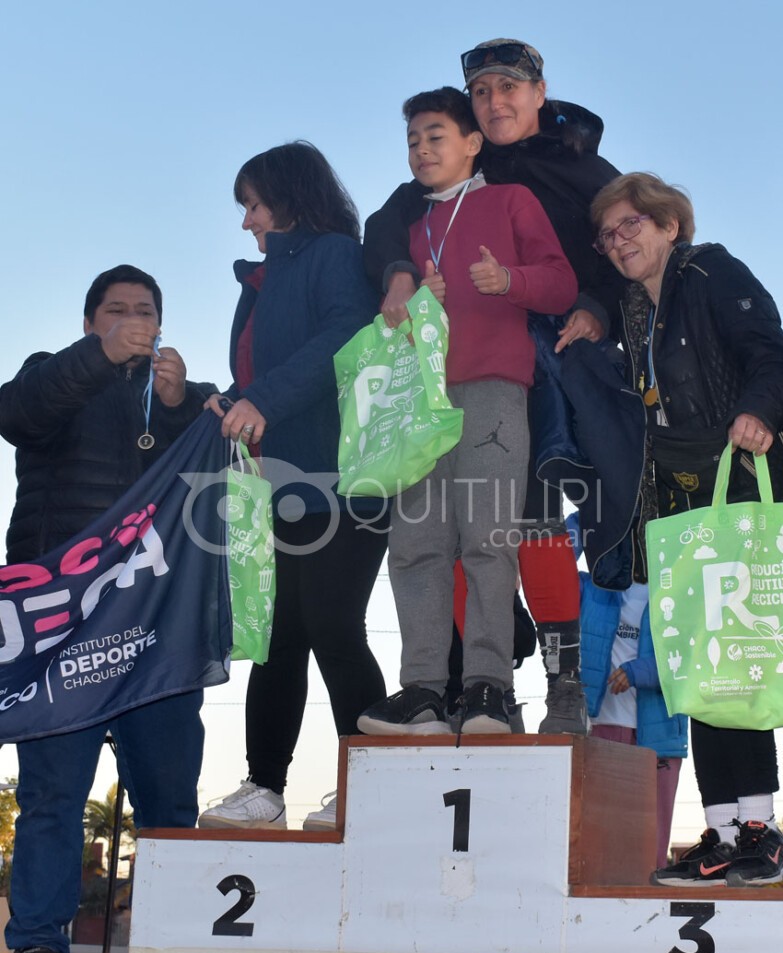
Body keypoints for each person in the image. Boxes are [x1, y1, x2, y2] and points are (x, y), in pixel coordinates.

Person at [363, 39, 624, 735]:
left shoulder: (581, 169)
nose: (495, 101)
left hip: (552, 369)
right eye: (481, 91)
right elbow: (384, 227)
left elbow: (623, 246)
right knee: (443, 529)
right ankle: (466, 683)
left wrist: (597, 309)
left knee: (533, 523)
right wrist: (398, 269)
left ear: (540, 92)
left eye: (509, 88)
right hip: (451, 371)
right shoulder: (440, 173)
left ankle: (561, 682)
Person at [0, 265, 214, 953]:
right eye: (115, 311)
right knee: (54, 795)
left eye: (145, 310)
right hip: (61, 628)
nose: (132, 320)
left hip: (155, 629)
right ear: (90, 320)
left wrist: (184, 405)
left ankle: (176, 950)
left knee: (168, 798)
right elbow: (17, 414)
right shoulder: (54, 376)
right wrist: (99, 359)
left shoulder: (177, 395)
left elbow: (228, 459)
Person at [591, 171, 783, 886]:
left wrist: (761, 411)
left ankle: (760, 829)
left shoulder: (710, 272)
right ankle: (726, 831)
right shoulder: (633, 309)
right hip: (679, 499)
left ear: (670, 224)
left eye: (631, 225)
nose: (619, 242)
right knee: (696, 664)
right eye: (608, 235)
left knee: (733, 655)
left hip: (735, 482)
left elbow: (770, 348)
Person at [199, 142, 387, 832]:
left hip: (345, 476)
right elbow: (261, 379)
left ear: (289, 195)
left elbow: (345, 334)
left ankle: (368, 782)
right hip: (276, 487)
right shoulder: (260, 282)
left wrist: (265, 400)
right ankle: (265, 789)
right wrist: (219, 400)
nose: (247, 220)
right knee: (276, 637)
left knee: (334, 626)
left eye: (253, 203)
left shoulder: (336, 254)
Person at [569, 513, 687, 868]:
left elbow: (691, 655)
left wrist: (639, 672)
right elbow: (556, 565)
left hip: (661, 735)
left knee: (651, 852)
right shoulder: (592, 590)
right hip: (605, 727)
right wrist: (586, 516)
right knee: (605, 846)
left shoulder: (679, 595)